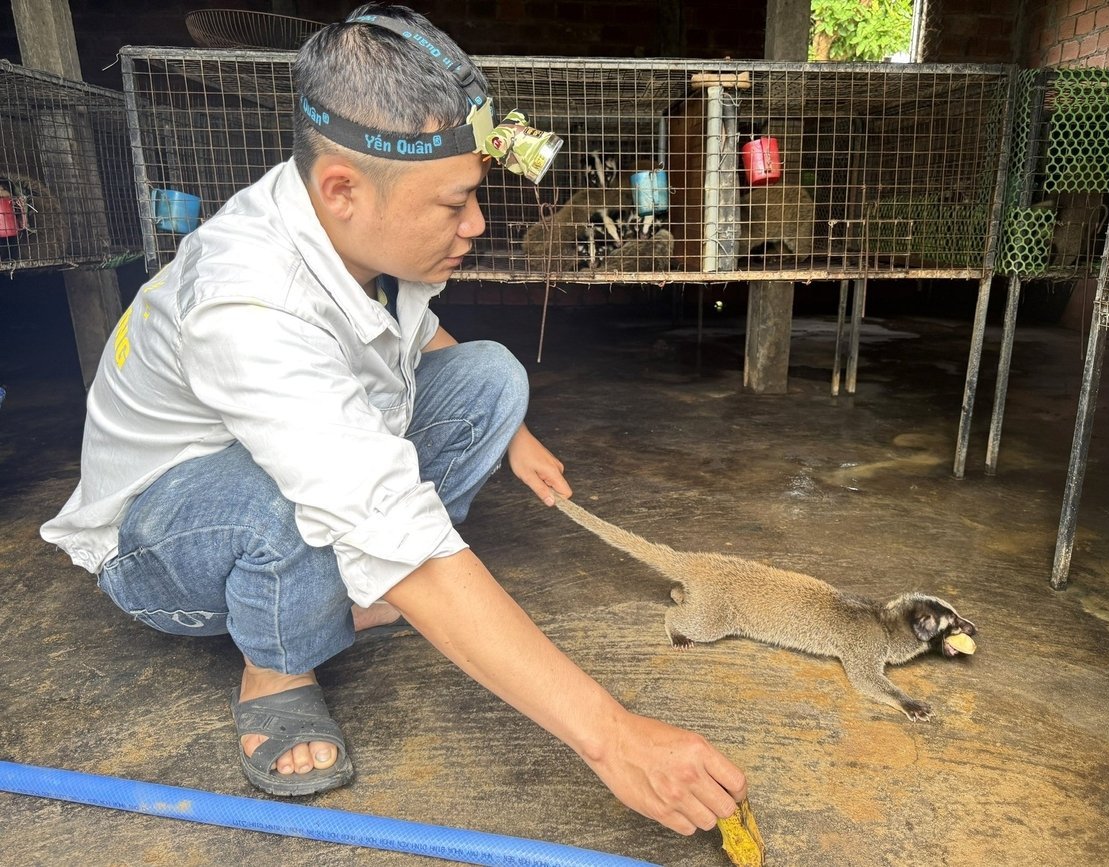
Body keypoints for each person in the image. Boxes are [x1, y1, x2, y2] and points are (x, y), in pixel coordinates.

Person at [41, 3, 747, 838]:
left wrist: (510, 434)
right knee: (297, 497)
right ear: (342, 188)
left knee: (490, 374)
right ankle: (276, 665)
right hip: (161, 534)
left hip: (274, 467)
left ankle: (361, 591)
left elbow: (409, 332)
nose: (477, 226)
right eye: (455, 204)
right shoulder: (247, 301)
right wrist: (614, 738)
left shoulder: (353, 231)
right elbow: (374, 509)